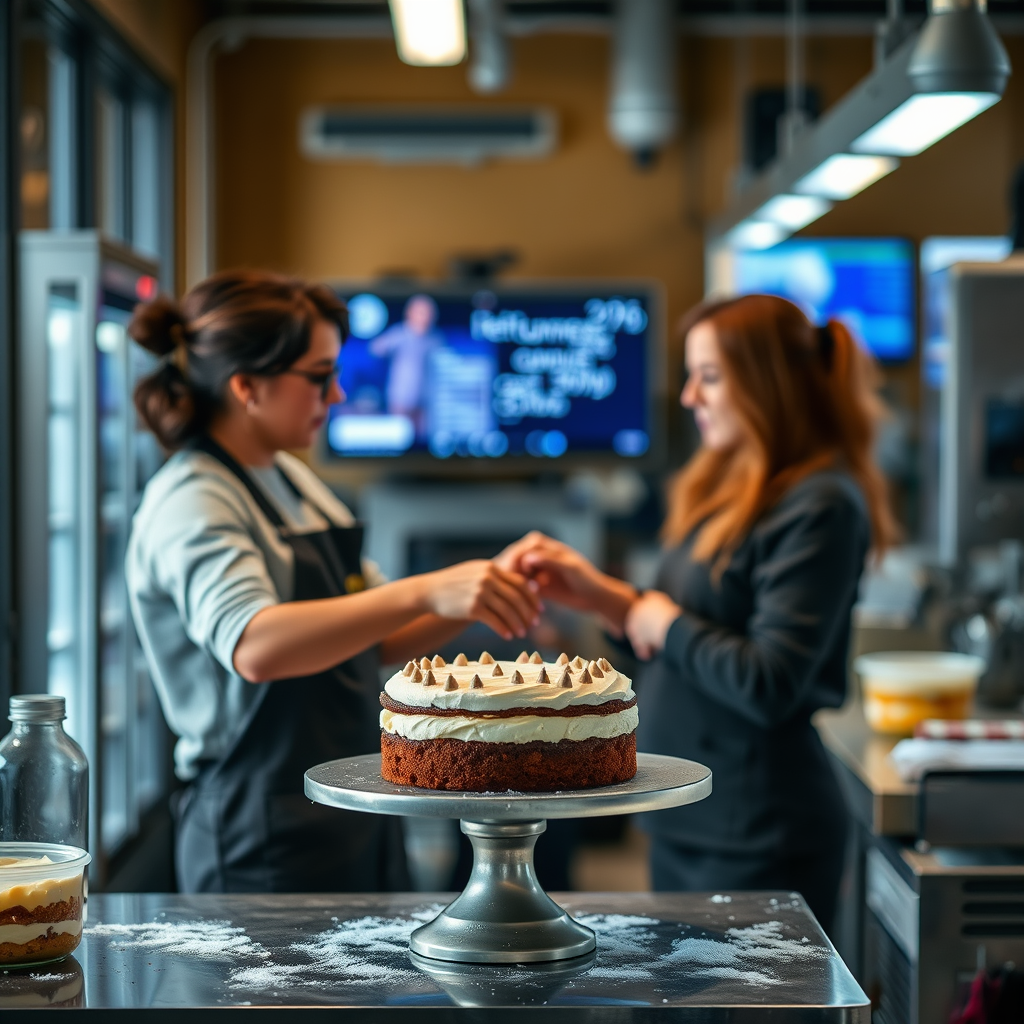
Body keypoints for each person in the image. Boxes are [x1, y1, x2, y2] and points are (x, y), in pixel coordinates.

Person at [126, 270, 541, 894]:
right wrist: (427, 589)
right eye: (320, 378)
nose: (339, 396)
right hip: (258, 830)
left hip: (350, 807)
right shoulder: (193, 497)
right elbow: (256, 646)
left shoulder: (293, 481)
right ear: (247, 387)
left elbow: (373, 637)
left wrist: (485, 587)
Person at [509, 294, 897, 935]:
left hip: (757, 829)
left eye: (709, 377)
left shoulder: (821, 503)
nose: (689, 397)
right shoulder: (727, 487)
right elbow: (681, 640)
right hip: (690, 817)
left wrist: (658, 617)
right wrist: (607, 600)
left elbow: (769, 681)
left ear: (768, 384)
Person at [369, 294, 444, 437]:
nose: (425, 317)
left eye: (429, 313)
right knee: (399, 438)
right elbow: (375, 348)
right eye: (421, 312)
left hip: (426, 400)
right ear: (410, 313)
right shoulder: (399, 333)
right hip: (401, 400)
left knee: (424, 442)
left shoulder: (436, 339)